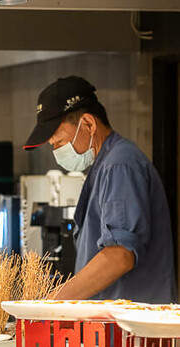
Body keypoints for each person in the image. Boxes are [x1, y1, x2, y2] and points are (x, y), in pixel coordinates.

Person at [24, 76, 176, 303]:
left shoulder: (120, 165)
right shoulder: (104, 166)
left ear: (88, 124)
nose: (56, 152)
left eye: (59, 142)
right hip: (114, 327)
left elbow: (119, 255)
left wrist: (51, 304)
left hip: (132, 330)